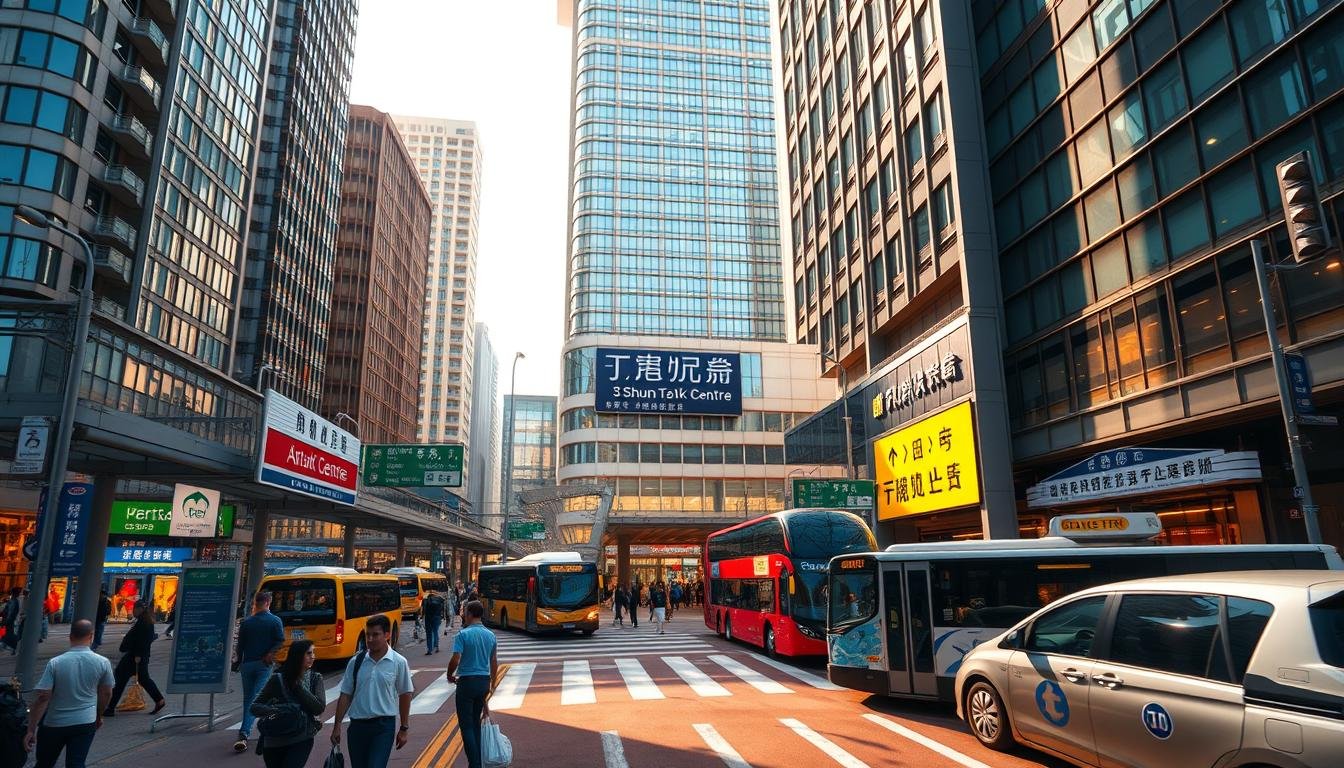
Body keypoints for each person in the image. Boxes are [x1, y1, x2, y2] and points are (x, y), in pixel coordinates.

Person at [24, 620, 113, 768]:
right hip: (85, 722)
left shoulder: (56, 663)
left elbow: (43, 698)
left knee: (45, 763)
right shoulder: (103, 662)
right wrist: (99, 715)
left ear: (70, 637)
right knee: (76, 763)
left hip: (54, 723)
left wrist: (31, 729)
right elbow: (106, 693)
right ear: (91, 636)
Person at [330, 615, 412, 768]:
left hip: (383, 727)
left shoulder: (398, 662)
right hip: (357, 727)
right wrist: (337, 725)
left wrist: (404, 728)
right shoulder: (356, 662)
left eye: (375, 635)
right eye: (368, 635)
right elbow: (346, 695)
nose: (370, 639)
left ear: (387, 635)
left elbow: (405, 694)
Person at [249, 640, 324, 768]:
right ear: (297, 656)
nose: (313, 656)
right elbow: (254, 707)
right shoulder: (277, 679)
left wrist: (299, 687)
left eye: (313, 652)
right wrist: (277, 710)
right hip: (274, 740)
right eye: (308, 653)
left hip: (301, 738)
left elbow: (319, 708)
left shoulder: (315, 678)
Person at [445, 601, 497, 768]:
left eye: (465, 613)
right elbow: (494, 661)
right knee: (475, 722)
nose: (463, 616)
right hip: (483, 680)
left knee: (466, 725)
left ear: (469, 614)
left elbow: (456, 658)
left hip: (467, 681)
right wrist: (492, 683)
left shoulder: (463, 635)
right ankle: (477, 762)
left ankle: (474, 763)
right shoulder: (491, 635)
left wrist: (449, 674)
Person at [234, 591, 285, 753]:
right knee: (257, 698)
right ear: (268, 602)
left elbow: (240, 645)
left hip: (247, 664)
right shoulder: (275, 620)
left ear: (256, 603)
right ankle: (246, 732)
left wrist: (237, 661)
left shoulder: (247, 622)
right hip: (264, 664)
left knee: (249, 698)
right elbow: (280, 640)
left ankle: (249, 730)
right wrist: (271, 653)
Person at [103, 601, 166, 716]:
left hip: (135, 657)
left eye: (134, 609)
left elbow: (143, 641)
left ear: (140, 609)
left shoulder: (144, 622)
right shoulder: (145, 621)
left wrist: (138, 655)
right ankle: (159, 700)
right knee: (142, 679)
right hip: (137, 656)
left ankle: (110, 707)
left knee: (120, 678)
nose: (133, 611)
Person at [421, 590, 445, 655]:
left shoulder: (425, 600)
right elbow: (442, 609)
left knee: (429, 633)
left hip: (428, 618)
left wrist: (421, 617)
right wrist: (443, 617)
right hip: (437, 617)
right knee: (435, 632)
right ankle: (436, 647)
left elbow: (423, 610)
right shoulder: (440, 599)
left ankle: (429, 650)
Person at [1, 587, 20, 654]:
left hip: (10, 621)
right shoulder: (12, 601)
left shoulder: (14, 601)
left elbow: (11, 613)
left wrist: (6, 621)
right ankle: (10, 647)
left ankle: (12, 648)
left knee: (9, 634)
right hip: (10, 621)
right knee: (8, 634)